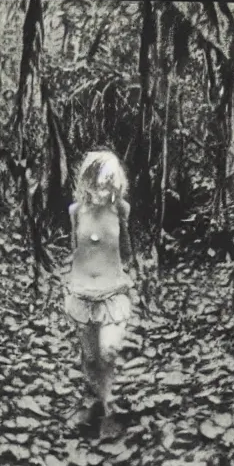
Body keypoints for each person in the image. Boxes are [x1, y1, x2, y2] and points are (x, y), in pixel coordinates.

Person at [63, 148, 135, 438]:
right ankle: (96, 404)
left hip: (113, 292)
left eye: (109, 183)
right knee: (90, 357)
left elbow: (126, 249)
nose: (103, 190)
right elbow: (75, 248)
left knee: (109, 350)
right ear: (87, 182)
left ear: (116, 185)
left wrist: (123, 268)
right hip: (82, 293)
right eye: (98, 183)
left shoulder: (121, 210)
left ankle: (106, 407)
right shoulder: (75, 211)